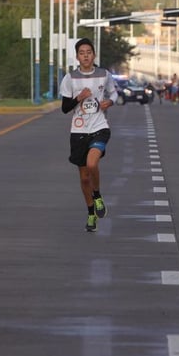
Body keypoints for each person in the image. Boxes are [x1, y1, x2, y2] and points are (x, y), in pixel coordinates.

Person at [59, 38, 118, 232]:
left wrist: (110, 102)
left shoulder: (104, 75)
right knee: (84, 178)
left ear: (94, 55)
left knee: (93, 163)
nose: (85, 55)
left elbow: (114, 93)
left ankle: (98, 195)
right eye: (82, 53)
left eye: (89, 52)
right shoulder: (70, 78)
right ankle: (91, 213)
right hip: (78, 131)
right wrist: (79, 97)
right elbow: (65, 108)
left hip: (100, 127)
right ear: (77, 57)